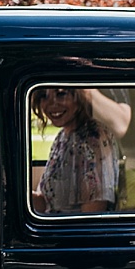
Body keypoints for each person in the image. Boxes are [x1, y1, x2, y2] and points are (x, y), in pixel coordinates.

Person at [32, 86, 120, 214]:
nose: (52, 104)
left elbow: (91, 219)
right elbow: (47, 202)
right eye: (44, 96)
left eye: (61, 94)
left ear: (78, 98)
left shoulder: (93, 139)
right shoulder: (63, 137)